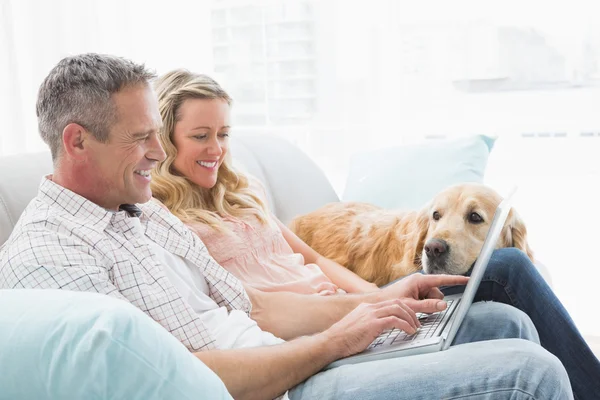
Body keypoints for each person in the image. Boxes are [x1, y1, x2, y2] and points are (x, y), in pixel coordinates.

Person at [0, 54, 572, 400]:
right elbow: (185, 381)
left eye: (158, 132)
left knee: (505, 325)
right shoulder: (53, 256)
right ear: (77, 140)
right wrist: (332, 345)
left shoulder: (138, 213)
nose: (158, 150)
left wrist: (375, 303)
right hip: (280, 385)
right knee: (532, 373)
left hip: (289, 354)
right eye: (142, 137)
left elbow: (254, 309)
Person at [151, 69, 599, 399]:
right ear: (166, 138)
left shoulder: (241, 197)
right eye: (201, 136)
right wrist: (364, 312)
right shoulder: (163, 222)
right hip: (317, 334)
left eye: (224, 134)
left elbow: (317, 261)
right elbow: (250, 309)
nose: (217, 150)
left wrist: (384, 299)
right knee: (510, 272)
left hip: (351, 311)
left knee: (512, 321)